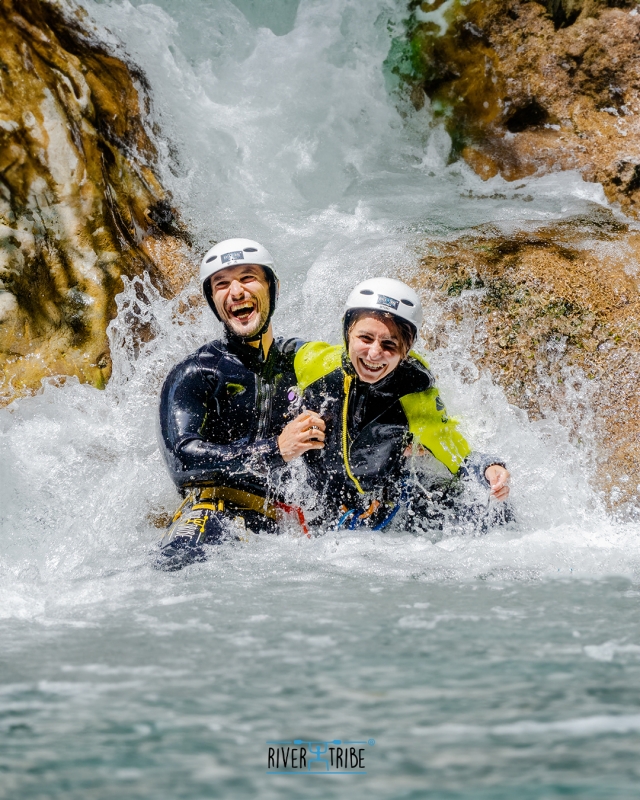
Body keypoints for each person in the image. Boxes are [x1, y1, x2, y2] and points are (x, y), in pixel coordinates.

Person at [292, 277, 510, 532]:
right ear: (347, 334)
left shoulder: (413, 393)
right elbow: (271, 353)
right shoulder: (314, 364)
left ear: (406, 349)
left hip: (379, 508)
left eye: (389, 344)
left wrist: (488, 468)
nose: (374, 354)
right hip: (316, 498)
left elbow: (453, 449)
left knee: (495, 514)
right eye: (365, 338)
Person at [157, 238, 325, 569]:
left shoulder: (304, 364)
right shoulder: (196, 372)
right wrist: (275, 450)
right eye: (222, 284)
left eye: (248, 278)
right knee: (176, 566)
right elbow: (182, 459)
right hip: (214, 516)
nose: (236, 291)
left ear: (272, 287)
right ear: (213, 301)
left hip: (285, 528)